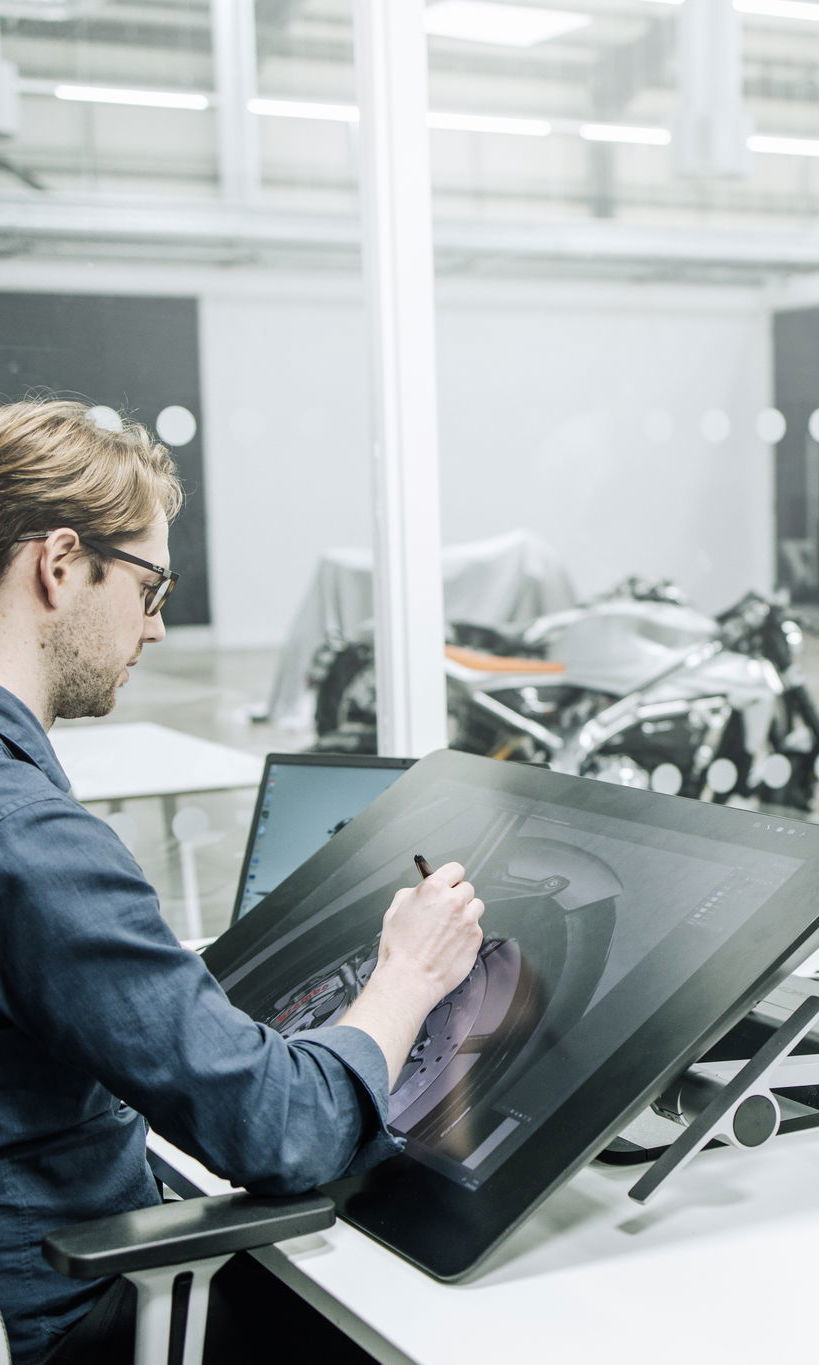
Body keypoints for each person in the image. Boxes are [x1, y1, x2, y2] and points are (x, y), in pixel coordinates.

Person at [0, 399, 485, 1364]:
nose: (157, 627)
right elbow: (285, 1131)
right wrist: (407, 975)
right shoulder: (34, 839)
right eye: (150, 585)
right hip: (68, 1316)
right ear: (59, 564)